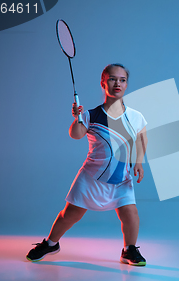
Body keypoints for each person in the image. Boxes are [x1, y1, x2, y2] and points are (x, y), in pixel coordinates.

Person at [26, 64, 148, 266]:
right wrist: (77, 119)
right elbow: (76, 135)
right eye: (112, 79)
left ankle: (129, 250)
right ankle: (50, 243)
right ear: (103, 83)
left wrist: (139, 162)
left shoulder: (135, 116)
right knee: (70, 214)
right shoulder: (91, 115)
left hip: (121, 178)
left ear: (126, 84)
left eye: (122, 80)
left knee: (130, 213)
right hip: (92, 178)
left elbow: (142, 137)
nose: (117, 83)